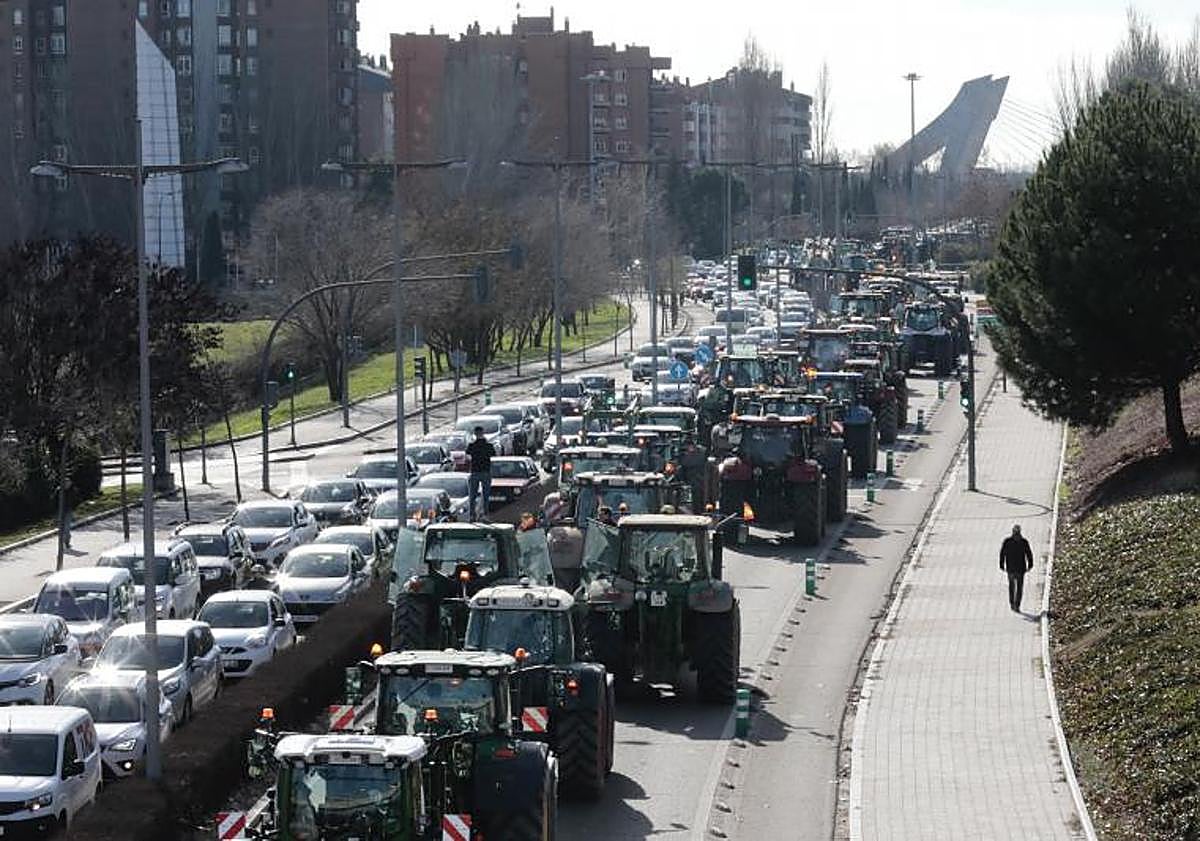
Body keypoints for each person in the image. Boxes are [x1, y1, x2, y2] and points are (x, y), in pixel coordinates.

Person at [999, 524, 1034, 611]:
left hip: (1014, 568)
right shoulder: (1023, 542)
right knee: (1017, 587)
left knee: (1013, 586)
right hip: (1018, 568)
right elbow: (1029, 554)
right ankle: (1016, 604)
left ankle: (1014, 604)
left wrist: (1002, 564)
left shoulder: (1008, 541)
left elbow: (1002, 553)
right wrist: (1030, 564)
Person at [466, 425, 496, 522]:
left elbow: (467, 453)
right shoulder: (488, 445)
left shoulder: (472, 445)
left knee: (472, 496)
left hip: (475, 472)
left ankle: (472, 516)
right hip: (485, 471)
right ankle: (484, 515)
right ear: (483, 433)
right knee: (486, 495)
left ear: (475, 434)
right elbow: (493, 453)